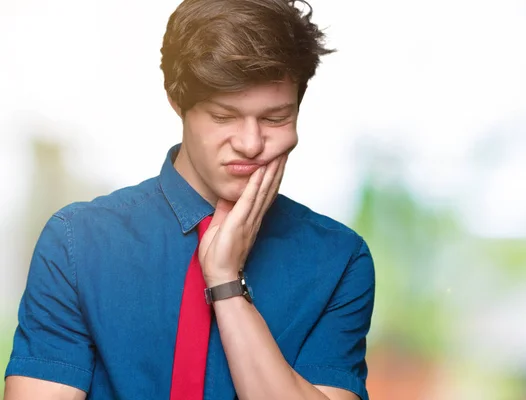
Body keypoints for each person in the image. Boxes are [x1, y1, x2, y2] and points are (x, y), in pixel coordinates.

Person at [4, 0, 376, 399]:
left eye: (274, 118)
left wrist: (226, 283)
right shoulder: (78, 244)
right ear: (177, 102)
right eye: (223, 116)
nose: (251, 144)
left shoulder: (337, 260)